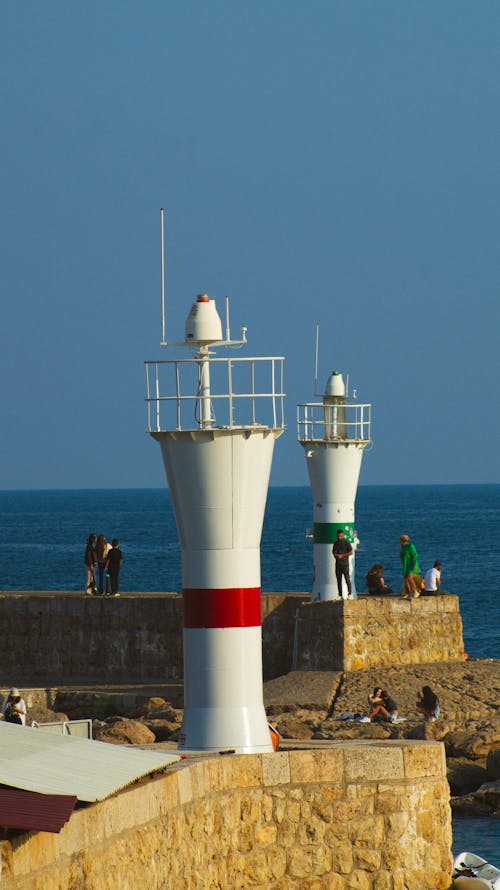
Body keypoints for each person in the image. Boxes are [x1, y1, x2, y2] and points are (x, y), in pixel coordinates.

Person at [332, 529, 353, 599]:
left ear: (343, 535)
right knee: (338, 580)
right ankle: (340, 594)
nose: (339, 537)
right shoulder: (335, 543)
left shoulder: (346, 543)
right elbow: (333, 552)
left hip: (345, 564)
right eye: (338, 536)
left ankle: (350, 593)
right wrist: (336, 555)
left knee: (347, 579)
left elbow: (351, 552)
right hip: (338, 564)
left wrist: (342, 555)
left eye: (340, 536)